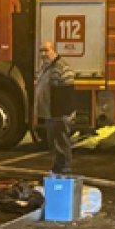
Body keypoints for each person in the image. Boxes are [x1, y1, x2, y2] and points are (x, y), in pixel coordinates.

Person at [35, 42, 78, 175]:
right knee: (54, 142)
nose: (43, 54)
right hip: (49, 113)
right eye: (41, 51)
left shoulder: (62, 67)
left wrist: (64, 113)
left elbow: (67, 92)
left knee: (61, 141)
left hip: (58, 114)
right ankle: (58, 166)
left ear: (53, 51)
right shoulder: (45, 68)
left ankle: (64, 168)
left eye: (46, 51)